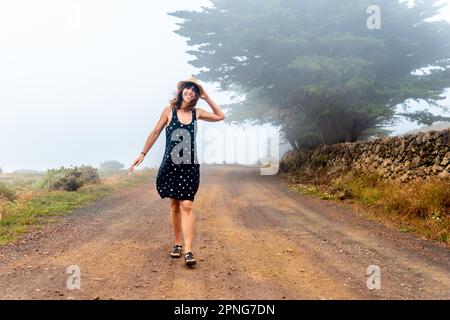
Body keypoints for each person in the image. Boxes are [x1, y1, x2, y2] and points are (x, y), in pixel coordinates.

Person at [128, 75, 225, 266]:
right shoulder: (169, 110)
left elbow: (220, 116)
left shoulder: (198, 112)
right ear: (181, 90)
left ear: (197, 94)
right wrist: (142, 154)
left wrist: (207, 97)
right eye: (187, 88)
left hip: (189, 166)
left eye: (194, 90)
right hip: (170, 165)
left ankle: (189, 251)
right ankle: (177, 244)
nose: (190, 91)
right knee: (174, 205)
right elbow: (155, 132)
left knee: (187, 205)